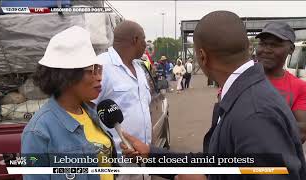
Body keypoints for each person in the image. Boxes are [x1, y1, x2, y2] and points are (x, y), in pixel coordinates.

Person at [121, 11, 306, 180]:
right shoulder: (243, 94)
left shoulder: (254, 113)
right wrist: (152, 155)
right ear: (249, 47)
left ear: (202, 57)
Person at [21, 26, 115, 180]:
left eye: (100, 69)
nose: (99, 77)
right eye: (92, 70)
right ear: (68, 76)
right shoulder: (38, 132)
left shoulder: (91, 113)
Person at [93, 20, 151, 180]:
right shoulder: (101, 66)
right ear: (135, 40)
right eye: (144, 39)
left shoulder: (139, 68)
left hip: (142, 161)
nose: (146, 44)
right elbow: (87, 111)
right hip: (117, 166)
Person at [256, 22, 306, 143]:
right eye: (262, 44)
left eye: (275, 45)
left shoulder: (300, 87)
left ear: (291, 49)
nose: (266, 50)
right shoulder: (239, 78)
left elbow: (302, 131)